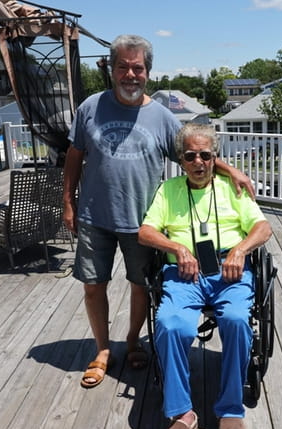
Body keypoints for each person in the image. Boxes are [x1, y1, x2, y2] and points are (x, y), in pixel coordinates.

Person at [63, 34, 255, 389]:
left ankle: (134, 341)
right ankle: (103, 349)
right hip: (94, 216)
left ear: (148, 72)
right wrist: (68, 202)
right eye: (123, 67)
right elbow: (74, 156)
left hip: (143, 220)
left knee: (140, 286)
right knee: (93, 286)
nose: (130, 75)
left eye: (138, 68)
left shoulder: (163, 117)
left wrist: (231, 171)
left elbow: (195, 152)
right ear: (111, 69)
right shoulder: (90, 107)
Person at [138, 123, 272, 429]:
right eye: (190, 156)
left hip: (230, 270)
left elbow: (263, 228)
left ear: (214, 158)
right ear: (181, 160)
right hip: (183, 273)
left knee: (238, 320)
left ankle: (230, 409)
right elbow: (145, 232)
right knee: (171, 325)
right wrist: (176, 248)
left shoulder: (232, 187)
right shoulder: (168, 190)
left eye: (205, 155)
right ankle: (182, 413)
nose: (198, 162)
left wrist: (240, 251)